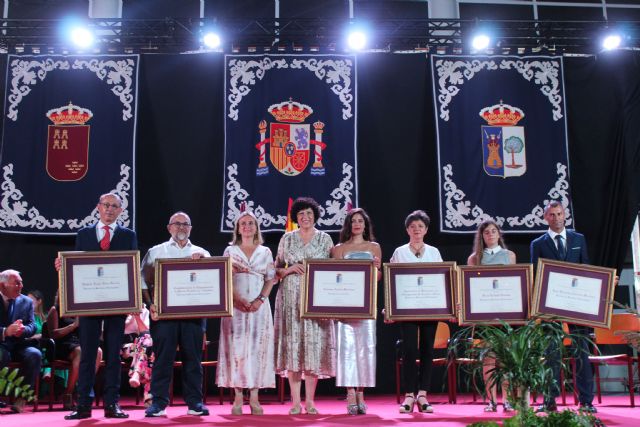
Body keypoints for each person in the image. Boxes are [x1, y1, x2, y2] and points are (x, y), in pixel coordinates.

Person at [62, 192, 137, 420]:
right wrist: (62, 265)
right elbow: (75, 266)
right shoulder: (83, 234)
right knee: (87, 356)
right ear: (98, 207)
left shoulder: (128, 235)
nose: (110, 209)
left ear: (120, 211)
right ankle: (84, 404)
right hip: (89, 304)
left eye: (115, 206)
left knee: (113, 355)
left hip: (116, 304)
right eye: (106, 205)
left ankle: (112, 404)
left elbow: (131, 266)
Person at [141, 211, 211, 417]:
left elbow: (212, 283)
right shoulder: (156, 252)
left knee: (193, 359)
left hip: (194, 315)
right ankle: (158, 403)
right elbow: (143, 281)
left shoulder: (203, 253)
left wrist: (204, 263)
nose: (181, 227)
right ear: (169, 227)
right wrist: (151, 304)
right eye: (177, 224)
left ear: (190, 228)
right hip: (164, 316)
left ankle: (195, 403)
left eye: (185, 224)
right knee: (163, 360)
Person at [530, 200, 595, 413]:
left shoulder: (579, 239)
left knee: (581, 352)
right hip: (551, 306)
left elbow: (586, 269)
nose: (556, 218)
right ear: (545, 217)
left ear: (564, 215)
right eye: (552, 215)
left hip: (577, 305)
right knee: (551, 354)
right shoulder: (538, 244)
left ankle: (586, 401)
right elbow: (537, 276)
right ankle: (550, 400)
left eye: (559, 214)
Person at [274, 197, 335, 415]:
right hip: (290, 299)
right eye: (301, 214)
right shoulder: (287, 239)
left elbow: (337, 270)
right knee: (293, 349)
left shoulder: (326, 239)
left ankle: (310, 401)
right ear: (296, 218)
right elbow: (276, 270)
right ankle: (295, 402)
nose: (305, 217)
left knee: (312, 348)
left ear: (315, 216)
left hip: (316, 300)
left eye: (309, 214)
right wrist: (289, 270)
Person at [216, 211, 277, 415]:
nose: (247, 226)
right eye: (243, 223)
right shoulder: (230, 250)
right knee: (237, 350)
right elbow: (224, 278)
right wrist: (238, 300)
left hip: (259, 307)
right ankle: (238, 397)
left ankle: (255, 397)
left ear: (256, 227)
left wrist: (260, 299)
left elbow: (270, 278)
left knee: (257, 349)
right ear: (238, 228)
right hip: (236, 306)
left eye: (251, 223)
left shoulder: (265, 251)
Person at [390, 210, 442, 414]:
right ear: (407, 230)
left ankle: (423, 394)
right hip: (407, 309)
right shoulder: (400, 252)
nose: (416, 230)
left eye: (420, 226)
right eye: (413, 227)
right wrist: (391, 307)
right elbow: (393, 282)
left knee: (428, 349)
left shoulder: (434, 252)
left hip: (430, 308)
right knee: (409, 350)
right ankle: (409, 395)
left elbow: (441, 280)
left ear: (426, 230)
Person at [331, 208, 381, 415]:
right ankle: (350, 392)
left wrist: (376, 269)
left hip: (367, 305)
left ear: (365, 224)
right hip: (345, 305)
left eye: (360, 221)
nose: (357, 224)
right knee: (346, 350)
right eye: (353, 221)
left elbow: (378, 278)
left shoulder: (374, 247)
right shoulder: (339, 248)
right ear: (348, 225)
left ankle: (361, 392)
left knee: (366, 349)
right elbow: (335, 277)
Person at [467, 220, 516, 413]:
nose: (490, 235)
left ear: (499, 234)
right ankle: (491, 400)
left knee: (505, 359)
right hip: (484, 315)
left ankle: (508, 400)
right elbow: (469, 286)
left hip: (505, 314)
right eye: (486, 232)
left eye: (493, 231)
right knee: (488, 359)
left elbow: (514, 283)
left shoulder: (510, 255)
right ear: (482, 236)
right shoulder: (474, 258)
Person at [47, 291, 102, 410]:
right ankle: (68, 393)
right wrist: (73, 326)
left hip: (78, 343)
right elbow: (53, 334)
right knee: (80, 352)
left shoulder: (79, 310)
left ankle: (82, 389)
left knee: (98, 351)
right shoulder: (55, 310)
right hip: (61, 345)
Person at [0, 270, 42, 413]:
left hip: (19, 344)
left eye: (21, 282)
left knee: (34, 354)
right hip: (1, 343)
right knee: (2, 355)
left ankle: (21, 398)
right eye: (17, 283)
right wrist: (6, 331)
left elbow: (33, 325)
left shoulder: (27, 301)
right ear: (2, 285)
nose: (21, 286)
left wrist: (23, 330)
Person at [122, 305, 153, 407]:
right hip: (122, 346)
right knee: (149, 351)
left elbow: (145, 332)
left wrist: (137, 316)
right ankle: (149, 396)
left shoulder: (142, 308)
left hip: (139, 345)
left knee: (148, 343)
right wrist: (129, 317)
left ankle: (137, 373)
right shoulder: (116, 306)